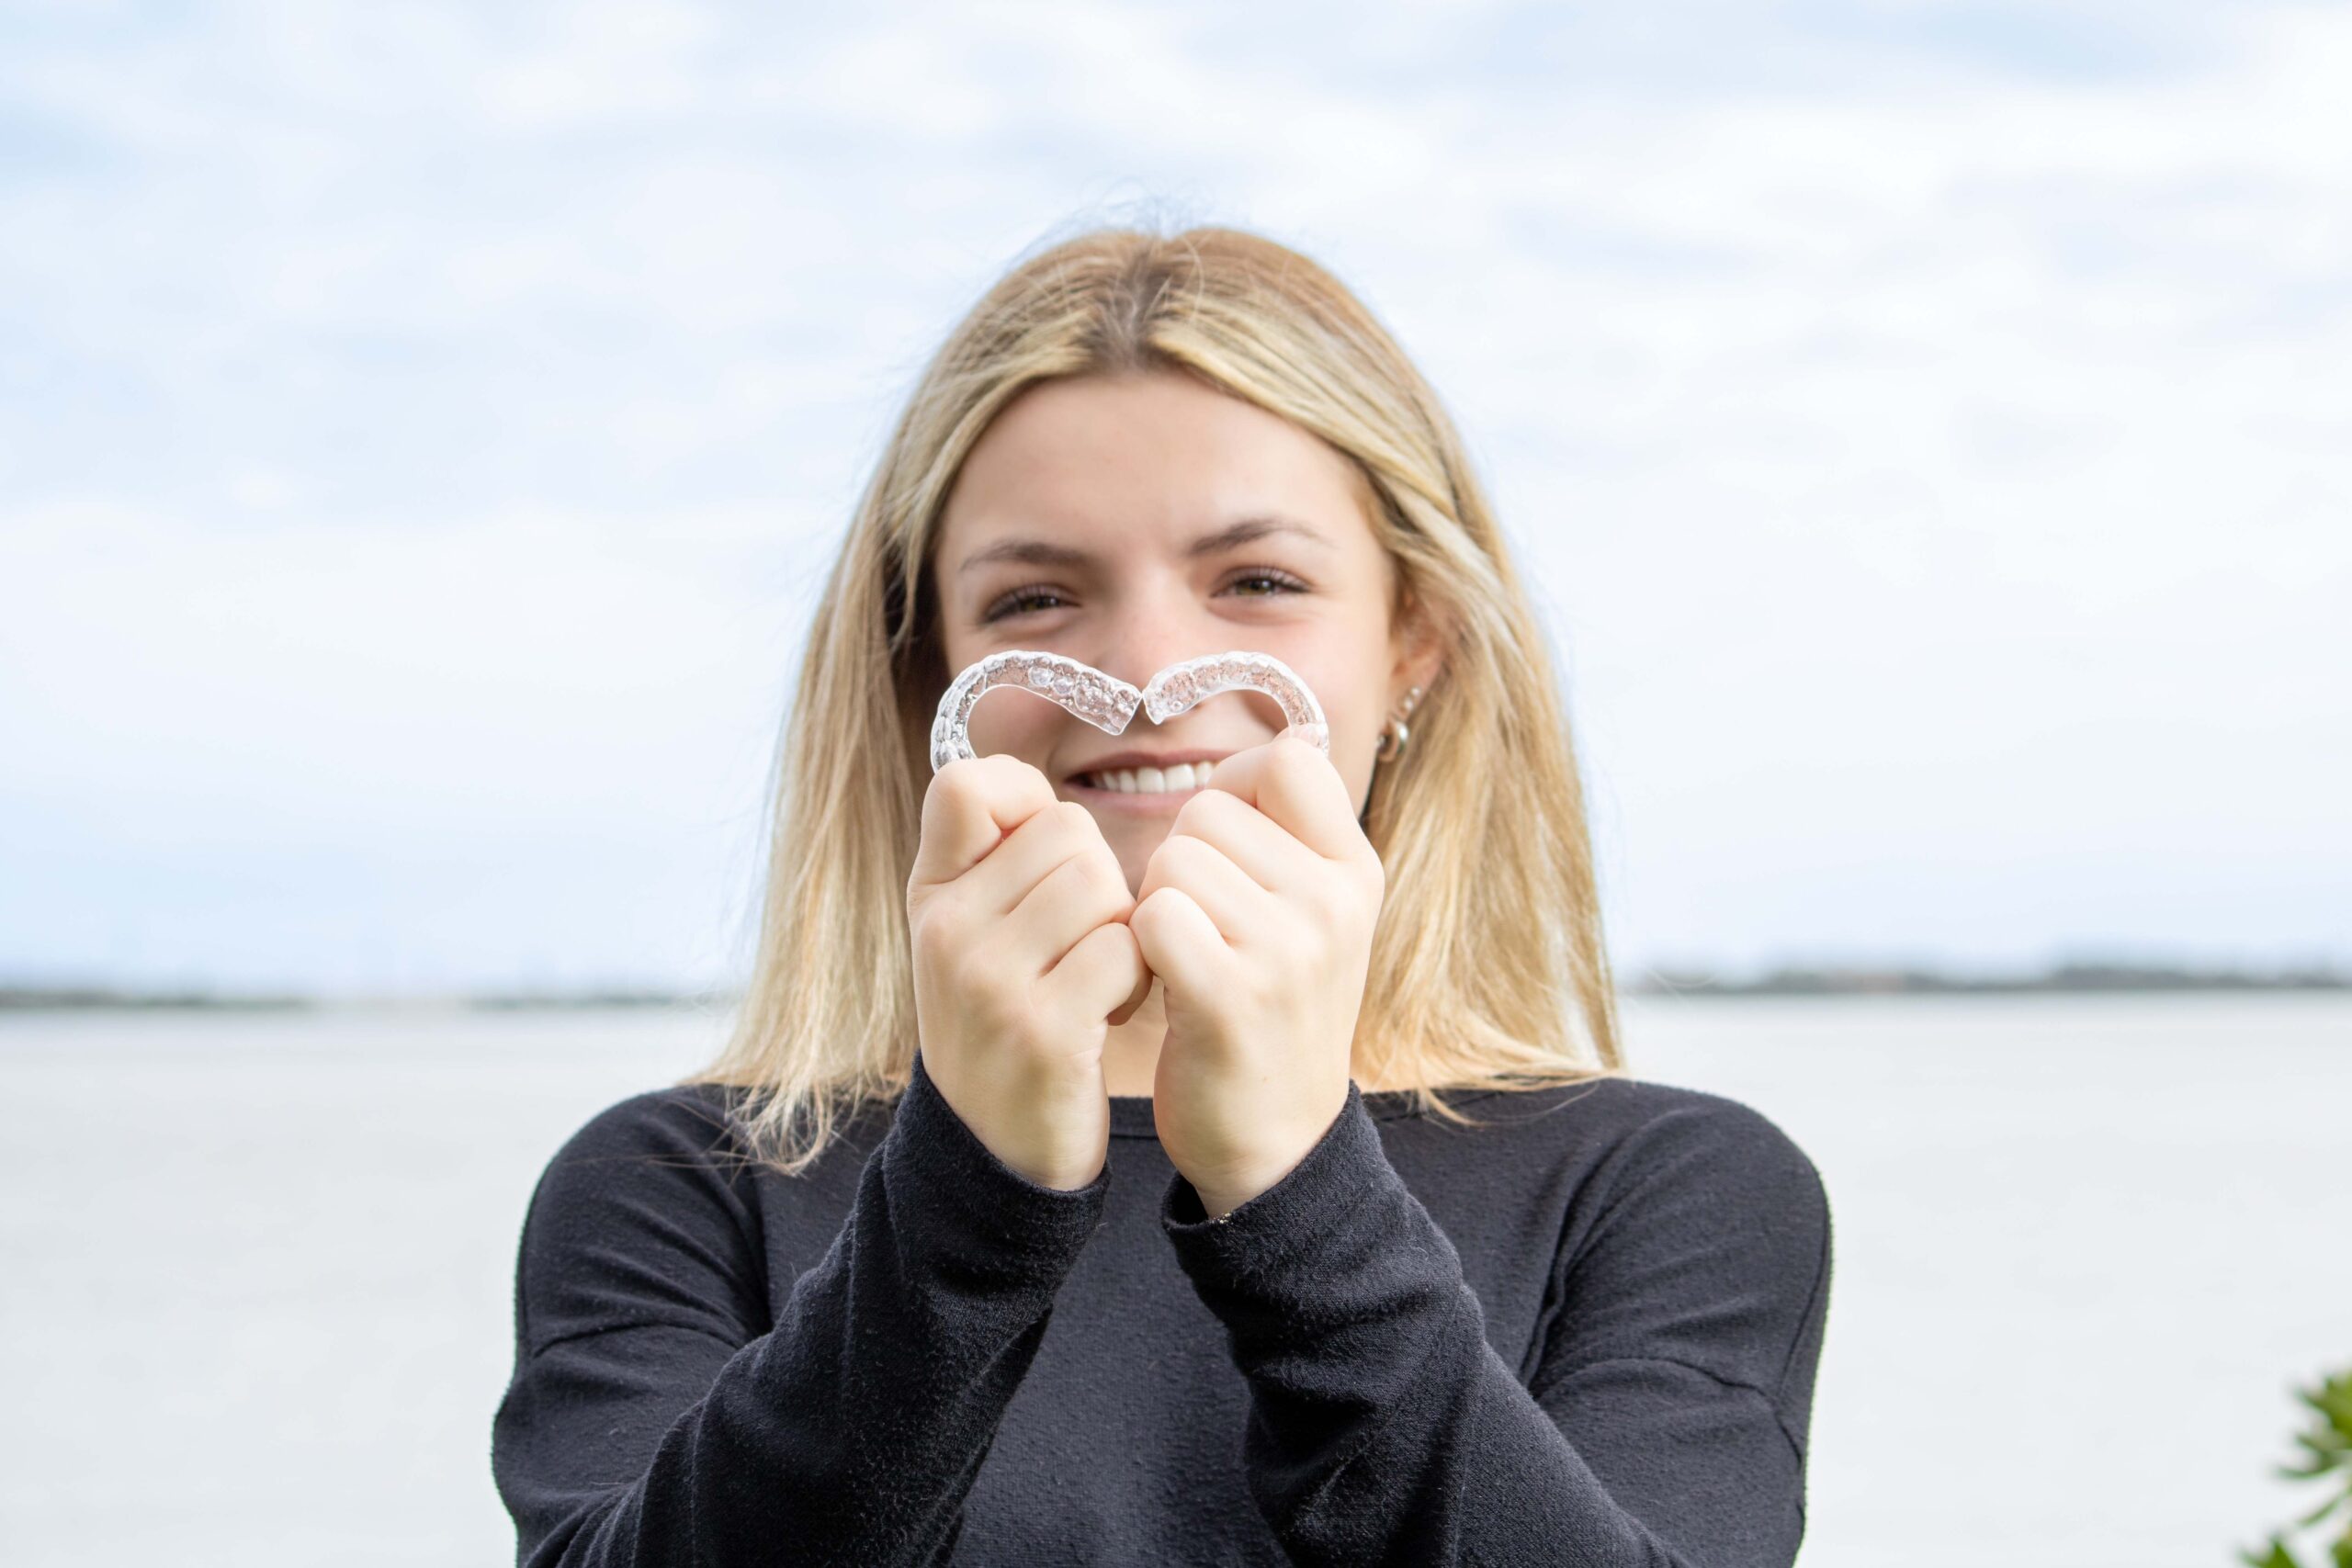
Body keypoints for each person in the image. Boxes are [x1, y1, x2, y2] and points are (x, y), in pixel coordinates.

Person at [491, 222, 1833, 1567]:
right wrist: (972, 1184)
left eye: (1258, 581)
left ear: (1414, 641)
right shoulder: (680, 1189)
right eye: (1033, 597)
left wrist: (1298, 1186)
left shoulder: (1670, 1192)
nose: (1143, 669)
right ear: (925, 667)